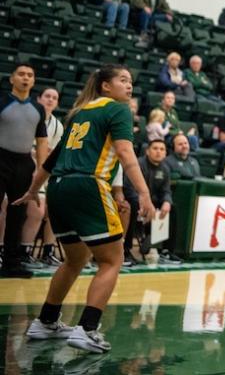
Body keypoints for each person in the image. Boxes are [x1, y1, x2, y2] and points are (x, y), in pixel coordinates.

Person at [16, 64, 154, 353]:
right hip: (89, 186)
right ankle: (88, 329)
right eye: (123, 80)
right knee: (112, 260)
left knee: (75, 259)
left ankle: (46, 321)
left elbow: (51, 161)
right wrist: (144, 192)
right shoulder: (118, 110)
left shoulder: (80, 114)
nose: (129, 86)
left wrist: (32, 191)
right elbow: (127, 154)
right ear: (106, 85)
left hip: (59, 187)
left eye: (131, 81)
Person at [0, 63, 50, 278]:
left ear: (34, 81)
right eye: (21, 74)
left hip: (23, 164)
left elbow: (41, 142)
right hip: (0, 159)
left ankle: (11, 262)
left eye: (30, 75)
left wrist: (41, 171)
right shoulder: (2, 101)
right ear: (12, 79)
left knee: (17, 213)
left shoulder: (38, 109)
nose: (25, 78)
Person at [19, 87, 63, 270]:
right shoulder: (28, 118)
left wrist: (45, 155)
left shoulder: (58, 125)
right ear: (39, 99)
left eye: (54, 98)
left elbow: (56, 154)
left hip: (43, 174)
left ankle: (47, 252)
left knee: (56, 208)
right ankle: (21, 251)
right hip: (22, 170)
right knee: (36, 210)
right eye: (47, 96)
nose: (51, 100)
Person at [124, 139, 180, 265]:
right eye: (155, 148)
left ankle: (166, 251)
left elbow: (166, 191)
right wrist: (143, 204)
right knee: (131, 205)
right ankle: (125, 251)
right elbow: (128, 188)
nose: (158, 152)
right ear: (147, 151)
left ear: (166, 153)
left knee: (172, 208)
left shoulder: (165, 169)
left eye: (162, 149)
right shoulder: (137, 165)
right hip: (135, 201)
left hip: (152, 205)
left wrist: (167, 201)